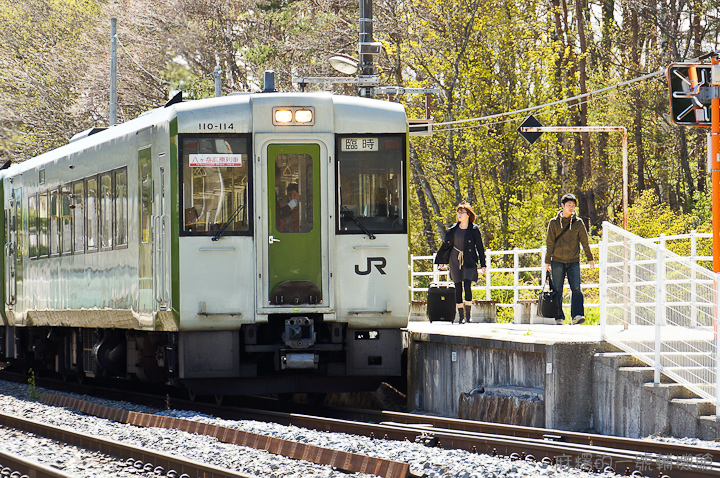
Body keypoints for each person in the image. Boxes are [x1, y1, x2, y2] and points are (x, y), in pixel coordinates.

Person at [545, 193, 595, 325]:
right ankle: (559, 317)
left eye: (573, 205)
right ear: (562, 206)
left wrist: (590, 258)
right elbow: (549, 243)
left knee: (576, 288)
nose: (571, 207)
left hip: (573, 261)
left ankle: (577, 315)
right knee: (557, 289)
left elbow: (585, 241)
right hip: (557, 261)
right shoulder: (554, 223)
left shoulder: (578, 223)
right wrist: (547, 261)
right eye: (569, 205)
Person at [434, 202, 487, 323]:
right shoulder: (453, 229)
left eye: (462, 212)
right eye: (458, 212)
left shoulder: (474, 229)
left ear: (468, 214)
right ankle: (461, 316)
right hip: (454, 259)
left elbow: (480, 247)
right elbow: (446, 246)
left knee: (467, 285)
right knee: (458, 287)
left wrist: (483, 264)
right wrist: (442, 261)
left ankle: (468, 315)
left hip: (469, 259)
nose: (459, 215)